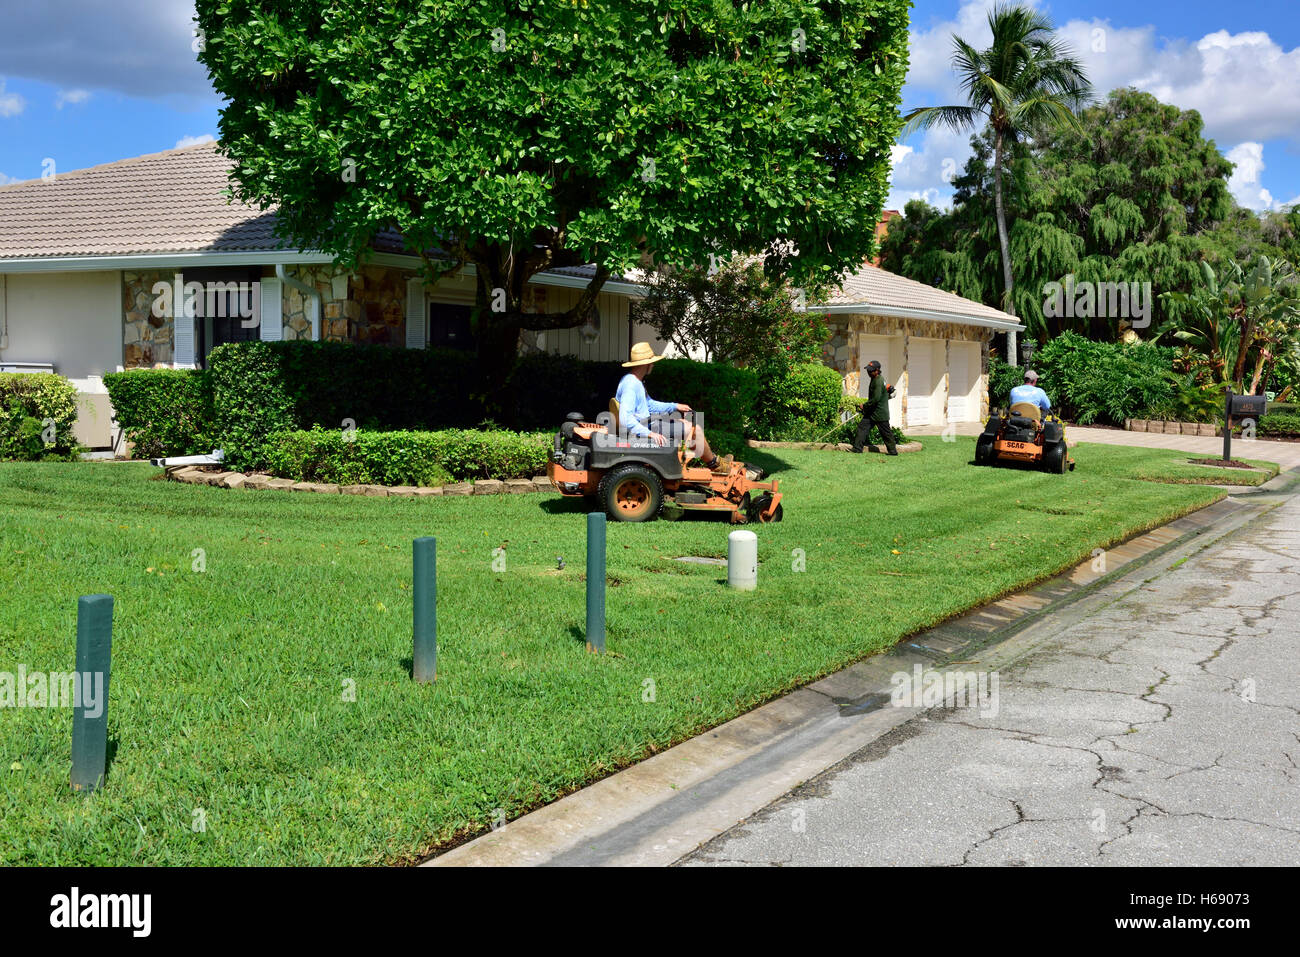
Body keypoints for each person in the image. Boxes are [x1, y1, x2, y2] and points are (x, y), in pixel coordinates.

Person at [614, 342, 727, 470]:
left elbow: (649, 405)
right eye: (652, 362)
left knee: (685, 423)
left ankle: (711, 460)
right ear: (646, 364)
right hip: (645, 428)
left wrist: (675, 406)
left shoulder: (634, 381)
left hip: (647, 424)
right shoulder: (631, 385)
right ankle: (714, 464)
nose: (653, 365)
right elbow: (625, 419)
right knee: (695, 430)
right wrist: (651, 434)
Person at [853, 359, 897, 455]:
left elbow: (876, 399)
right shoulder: (875, 379)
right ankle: (857, 449)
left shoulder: (878, 381)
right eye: (868, 370)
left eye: (871, 370)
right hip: (872, 412)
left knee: (886, 433)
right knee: (862, 427)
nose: (868, 372)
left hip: (880, 413)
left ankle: (893, 451)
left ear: (877, 370)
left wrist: (864, 406)